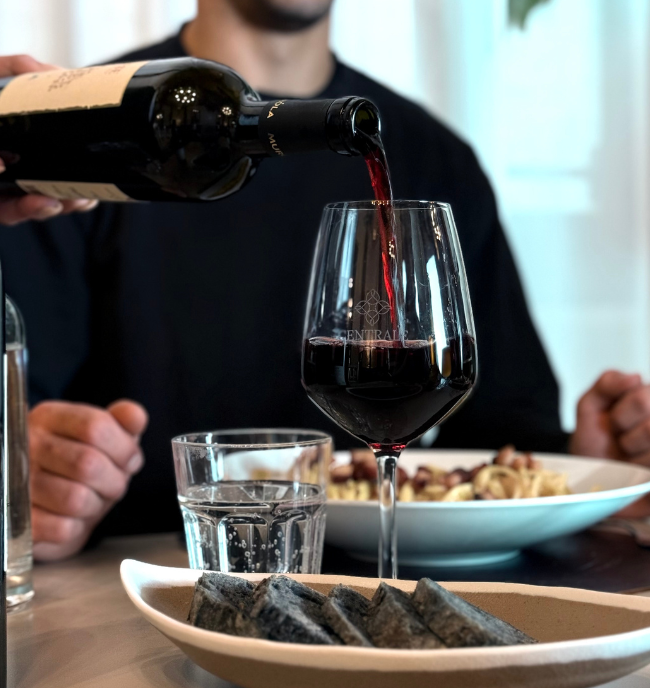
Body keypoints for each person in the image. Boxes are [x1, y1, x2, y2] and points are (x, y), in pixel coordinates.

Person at [0, 0, 649, 563]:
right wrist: (29, 474)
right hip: (132, 591)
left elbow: (502, 433)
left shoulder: (434, 158)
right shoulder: (97, 142)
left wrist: (590, 463)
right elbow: (21, 427)